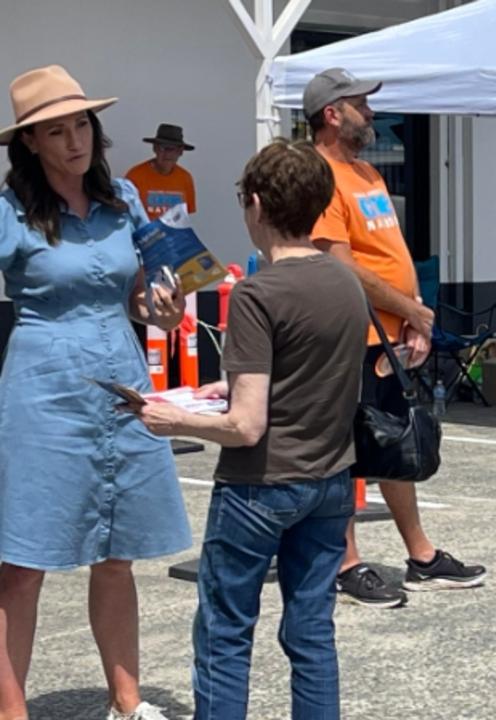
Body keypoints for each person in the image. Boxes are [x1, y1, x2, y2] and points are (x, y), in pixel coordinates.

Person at [137, 139, 365, 720]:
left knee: (225, 631)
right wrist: (231, 385)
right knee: (312, 632)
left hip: (260, 484)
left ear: (257, 205)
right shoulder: (346, 284)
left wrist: (174, 419)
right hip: (332, 478)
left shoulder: (257, 294)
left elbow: (246, 425)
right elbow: (311, 372)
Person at [0, 65, 190, 720]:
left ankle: (127, 704)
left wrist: (161, 309)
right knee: (22, 563)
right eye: (57, 130)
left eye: (81, 124)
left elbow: (137, 295)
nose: (75, 140)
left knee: (117, 552)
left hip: (121, 382)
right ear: (31, 143)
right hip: (43, 388)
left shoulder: (125, 203)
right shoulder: (10, 211)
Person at [306, 67, 485, 609]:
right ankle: (347, 562)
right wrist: (411, 309)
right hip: (349, 334)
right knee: (347, 449)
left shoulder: (366, 172)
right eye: (362, 104)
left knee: (392, 440)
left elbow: (388, 253)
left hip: (388, 331)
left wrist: (410, 316)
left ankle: (421, 555)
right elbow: (339, 265)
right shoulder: (317, 177)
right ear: (333, 114)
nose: (373, 114)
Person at [124, 123, 196, 221]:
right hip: (144, 234)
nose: (167, 154)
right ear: (155, 148)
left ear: (180, 152)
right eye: (163, 148)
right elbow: (126, 214)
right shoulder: (135, 176)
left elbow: (187, 214)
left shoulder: (185, 178)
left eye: (172, 149)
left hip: (175, 235)